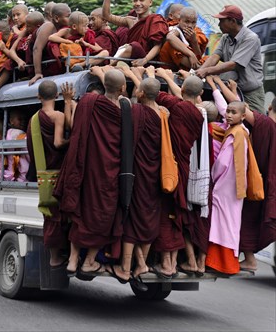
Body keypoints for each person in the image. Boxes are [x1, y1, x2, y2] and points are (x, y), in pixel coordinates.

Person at [54, 69, 125, 278]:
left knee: (81, 216)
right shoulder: (123, 110)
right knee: (103, 217)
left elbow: (76, 129)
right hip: (108, 173)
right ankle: (89, 262)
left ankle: (73, 260)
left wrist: (68, 103)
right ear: (122, 88)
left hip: (85, 169)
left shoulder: (87, 102)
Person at [111, 70, 163, 285]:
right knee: (148, 219)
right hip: (156, 173)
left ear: (140, 93)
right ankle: (141, 264)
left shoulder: (136, 111)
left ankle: (125, 266)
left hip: (138, 174)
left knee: (132, 219)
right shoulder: (163, 114)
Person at [153, 70, 206, 277]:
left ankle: (167, 264)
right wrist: (168, 78)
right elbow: (182, 96)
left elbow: (155, 94)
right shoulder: (198, 112)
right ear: (200, 94)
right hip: (184, 169)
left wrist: (150, 75)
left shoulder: (177, 106)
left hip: (169, 168)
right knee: (176, 215)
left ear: (183, 90)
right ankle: (175, 261)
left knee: (166, 215)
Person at [204, 101, 261, 275]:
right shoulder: (241, 131)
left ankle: (222, 262)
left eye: (233, 112)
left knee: (223, 222)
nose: (228, 115)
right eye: (227, 111)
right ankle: (225, 262)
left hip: (226, 185)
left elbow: (222, 162)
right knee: (229, 223)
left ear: (243, 116)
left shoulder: (235, 134)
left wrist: (213, 175)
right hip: (235, 185)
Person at [26, 80, 69, 267]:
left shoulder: (34, 119)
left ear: (38, 97)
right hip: (59, 171)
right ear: (57, 96)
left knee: (50, 215)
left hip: (43, 172)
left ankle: (55, 255)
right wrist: (73, 140)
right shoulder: (58, 116)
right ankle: (56, 257)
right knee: (61, 214)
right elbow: (58, 143)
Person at [195, 5, 265, 113]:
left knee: (254, 124)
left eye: (221, 21)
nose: (218, 24)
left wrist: (206, 71)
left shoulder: (250, 38)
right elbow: (214, 57)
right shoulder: (225, 38)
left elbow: (234, 64)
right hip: (231, 90)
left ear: (232, 21)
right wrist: (199, 74)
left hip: (250, 93)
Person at [239, 97, 276, 272]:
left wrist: (215, 84)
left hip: (258, 182)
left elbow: (238, 110)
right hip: (269, 183)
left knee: (248, 219)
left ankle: (249, 260)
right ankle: (249, 259)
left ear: (269, 107)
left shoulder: (267, 124)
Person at [102, 0, 169, 67]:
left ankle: (110, 65)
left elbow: (158, 46)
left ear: (150, 2)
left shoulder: (155, 20)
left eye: (141, 0)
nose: (137, 4)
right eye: (135, 0)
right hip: (131, 59)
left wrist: (145, 60)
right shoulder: (130, 21)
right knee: (133, 46)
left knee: (134, 46)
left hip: (148, 61)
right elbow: (106, 16)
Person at [29, 3, 71, 85]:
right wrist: (37, 73)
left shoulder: (62, 29)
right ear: (56, 18)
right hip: (40, 67)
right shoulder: (48, 26)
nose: (70, 19)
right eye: (67, 16)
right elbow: (37, 49)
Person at [159, 7, 208, 71]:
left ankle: (201, 68)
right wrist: (190, 54)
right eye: (187, 22)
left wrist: (194, 41)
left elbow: (198, 57)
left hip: (189, 67)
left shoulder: (195, 32)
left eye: (193, 22)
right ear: (179, 20)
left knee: (211, 58)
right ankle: (201, 69)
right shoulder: (175, 29)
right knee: (171, 44)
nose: (190, 25)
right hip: (169, 68)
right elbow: (170, 37)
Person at [4, 110, 29, 182]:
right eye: (20, 119)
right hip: (22, 175)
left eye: (24, 119)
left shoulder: (7, 134)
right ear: (11, 121)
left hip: (9, 174)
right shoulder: (22, 136)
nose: (23, 121)